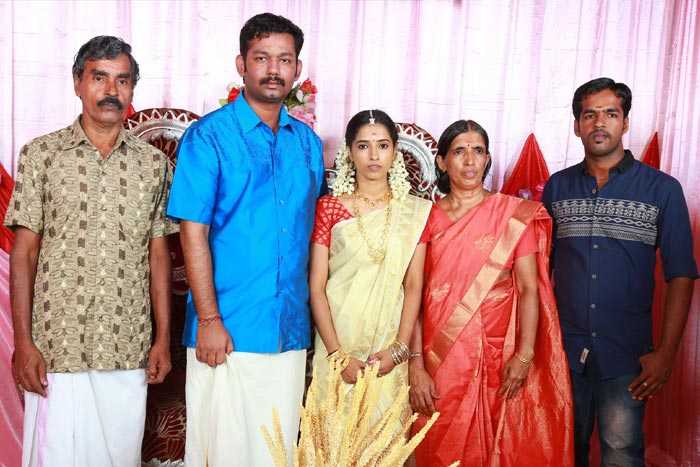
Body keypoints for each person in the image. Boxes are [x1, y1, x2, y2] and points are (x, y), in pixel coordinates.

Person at [4, 36, 176, 467]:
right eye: (99, 78)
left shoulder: (153, 165)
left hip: (126, 343)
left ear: (132, 89)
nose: (111, 91)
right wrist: (23, 342)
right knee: (56, 455)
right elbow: (24, 254)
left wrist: (161, 339)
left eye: (123, 80)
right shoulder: (42, 155)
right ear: (78, 83)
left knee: (119, 456)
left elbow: (158, 256)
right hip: (57, 344)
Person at [166, 13, 325, 467]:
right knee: (223, 451)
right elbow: (192, 232)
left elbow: (315, 234)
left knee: (276, 452)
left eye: (284, 59)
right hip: (227, 330)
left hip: (289, 329)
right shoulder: (209, 137)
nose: (274, 70)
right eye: (262, 58)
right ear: (241, 64)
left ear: (297, 69)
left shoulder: (307, 144)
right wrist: (209, 320)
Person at [542, 77, 698, 467]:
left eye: (610, 114)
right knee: (563, 453)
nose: (599, 123)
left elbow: (681, 274)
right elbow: (539, 271)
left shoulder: (661, 189)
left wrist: (665, 354)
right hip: (564, 354)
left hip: (627, 355)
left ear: (625, 122)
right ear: (576, 125)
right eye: (589, 115)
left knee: (621, 454)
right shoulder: (557, 189)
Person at [411, 120, 574, 466]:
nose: (470, 160)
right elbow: (412, 297)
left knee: (500, 445)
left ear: (487, 159)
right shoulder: (424, 218)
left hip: (500, 354)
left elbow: (529, 288)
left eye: (478, 151)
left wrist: (525, 355)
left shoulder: (513, 215)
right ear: (442, 161)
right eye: (459, 151)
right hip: (440, 356)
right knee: (439, 442)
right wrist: (415, 365)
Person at [309, 109, 431, 426]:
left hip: (389, 341)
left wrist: (399, 349)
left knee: (383, 440)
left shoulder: (414, 212)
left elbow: (413, 285)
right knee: (332, 435)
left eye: (383, 145)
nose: (374, 155)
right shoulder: (329, 208)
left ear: (395, 151)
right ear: (350, 152)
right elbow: (316, 288)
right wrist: (337, 354)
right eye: (363, 146)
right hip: (339, 338)